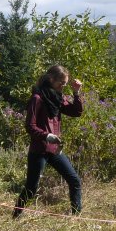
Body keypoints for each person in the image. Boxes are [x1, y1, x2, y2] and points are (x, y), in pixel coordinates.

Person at [13, 65, 83, 218]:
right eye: (61, 83)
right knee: (31, 187)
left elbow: (76, 112)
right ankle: (15, 216)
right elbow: (30, 126)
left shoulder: (58, 97)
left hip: (55, 150)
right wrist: (47, 135)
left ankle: (76, 218)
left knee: (74, 181)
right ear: (51, 79)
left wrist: (76, 93)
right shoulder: (37, 98)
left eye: (65, 83)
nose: (63, 86)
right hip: (39, 150)